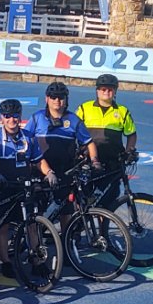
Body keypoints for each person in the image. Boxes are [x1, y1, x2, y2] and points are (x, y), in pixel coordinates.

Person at [0, 99, 56, 278]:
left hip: (24, 186)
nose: (11, 120)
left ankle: (37, 261)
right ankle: (6, 262)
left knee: (32, 223)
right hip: (4, 188)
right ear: (2, 118)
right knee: (3, 226)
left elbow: (38, 160)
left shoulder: (29, 137)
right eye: (7, 116)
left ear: (20, 117)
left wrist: (49, 172)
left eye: (15, 116)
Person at [24, 82, 101, 218]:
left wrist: (95, 161)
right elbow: (24, 141)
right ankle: (40, 237)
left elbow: (89, 143)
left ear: (66, 100)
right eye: (53, 97)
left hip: (65, 170)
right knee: (38, 210)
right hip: (40, 170)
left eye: (61, 97)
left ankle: (66, 238)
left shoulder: (73, 120)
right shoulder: (37, 118)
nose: (57, 101)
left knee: (66, 211)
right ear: (47, 99)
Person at [75, 73, 138, 209]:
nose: (106, 92)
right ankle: (78, 227)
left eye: (110, 89)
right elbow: (72, 133)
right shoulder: (84, 109)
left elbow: (131, 134)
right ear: (97, 91)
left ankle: (103, 230)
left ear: (115, 91)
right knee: (84, 199)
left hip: (112, 163)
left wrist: (129, 152)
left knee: (108, 201)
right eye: (103, 89)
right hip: (89, 161)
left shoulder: (122, 111)